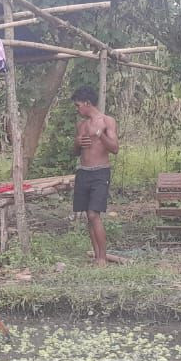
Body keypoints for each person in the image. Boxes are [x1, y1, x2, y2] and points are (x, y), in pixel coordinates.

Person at [71, 85, 119, 267]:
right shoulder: (81, 125)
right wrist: (76, 143)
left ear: (87, 103)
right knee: (87, 215)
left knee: (93, 214)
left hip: (100, 172)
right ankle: (97, 256)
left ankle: (102, 257)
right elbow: (76, 152)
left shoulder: (107, 121)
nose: (77, 109)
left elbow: (114, 148)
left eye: (78, 105)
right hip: (84, 172)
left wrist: (101, 136)